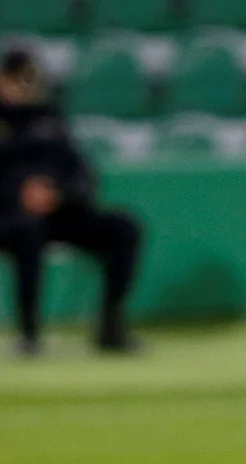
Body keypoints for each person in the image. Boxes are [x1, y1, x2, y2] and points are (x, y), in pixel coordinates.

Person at [0, 48, 141, 355]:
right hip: (10, 216)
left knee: (124, 227)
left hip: (58, 212)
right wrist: (19, 195)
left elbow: (81, 172)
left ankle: (110, 327)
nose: (25, 86)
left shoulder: (50, 120)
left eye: (30, 78)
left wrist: (58, 193)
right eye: (17, 79)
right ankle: (29, 334)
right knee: (28, 232)